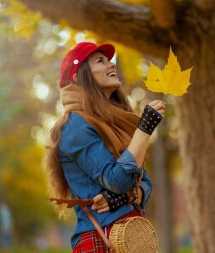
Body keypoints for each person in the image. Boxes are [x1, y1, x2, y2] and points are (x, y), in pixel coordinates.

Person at [45, 42, 165, 252]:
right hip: (100, 240)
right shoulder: (75, 126)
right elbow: (117, 180)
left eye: (108, 59)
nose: (111, 64)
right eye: (100, 61)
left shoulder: (115, 123)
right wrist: (144, 128)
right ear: (78, 76)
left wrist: (125, 197)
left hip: (132, 237)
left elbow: (145, 183)